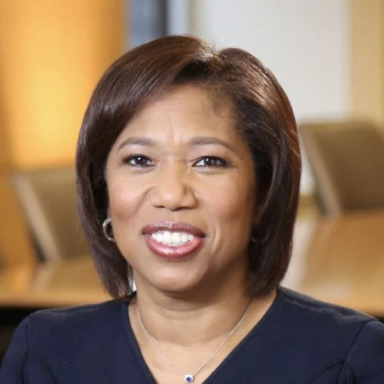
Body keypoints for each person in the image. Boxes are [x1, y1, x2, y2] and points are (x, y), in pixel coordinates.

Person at [1, 35, 383, 384]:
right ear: (103, 192)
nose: (171, 194)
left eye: (208, 162)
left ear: (263, 192)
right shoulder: (44, 355)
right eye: (138, 159)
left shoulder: (351, 359)